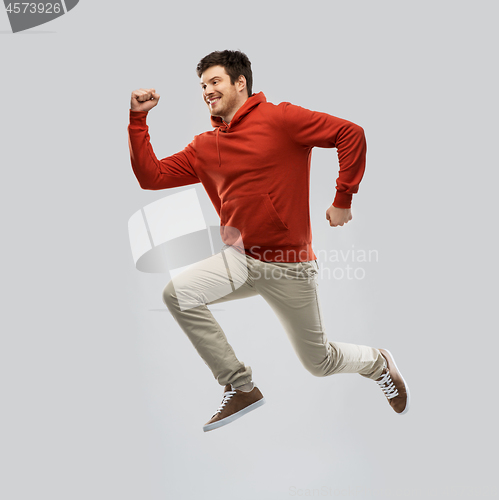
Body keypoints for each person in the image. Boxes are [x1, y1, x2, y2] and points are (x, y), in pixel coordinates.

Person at [128, 50, 410, 432]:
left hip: (288, 265)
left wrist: (343, 198)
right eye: (203, 86)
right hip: (239, 259)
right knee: (177, 293)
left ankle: (378, 362)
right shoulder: (204, 147)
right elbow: (152, 176)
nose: (207, 91)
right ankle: (239, 385)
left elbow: (350, 133)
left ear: (240, 82)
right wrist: (138, 119)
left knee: (319, 363)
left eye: (215, 82)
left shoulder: (280, 118)